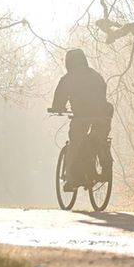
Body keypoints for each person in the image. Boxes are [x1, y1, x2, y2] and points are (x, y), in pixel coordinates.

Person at [49, 49, 113, 191]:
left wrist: (57, 108)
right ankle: (102, 156)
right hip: (104, 114)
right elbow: (102, 93)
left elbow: (60, 97)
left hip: (82, 116)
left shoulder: (68, 78)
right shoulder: (96, 75)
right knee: (98, 139)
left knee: (75, 143)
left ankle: (71, 180)